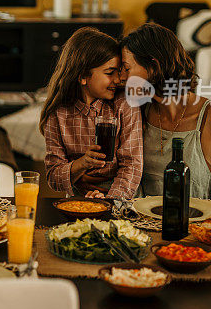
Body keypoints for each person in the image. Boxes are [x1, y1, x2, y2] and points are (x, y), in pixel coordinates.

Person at [120, 23, 211, 200]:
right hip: (138, 225)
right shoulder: (136, 112)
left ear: (154, 66)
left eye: (127, 68)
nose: (122, 77)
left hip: (197, 226)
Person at [39, 27, 143, 200]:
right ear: (82, 77)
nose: (117, 80)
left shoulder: (124, 104)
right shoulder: (58, 114)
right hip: (79, 200)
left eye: (118, 71)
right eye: (110, 73)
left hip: (120, 198)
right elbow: (53, 177)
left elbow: (132, 165)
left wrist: (110, 201)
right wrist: (81, 164)